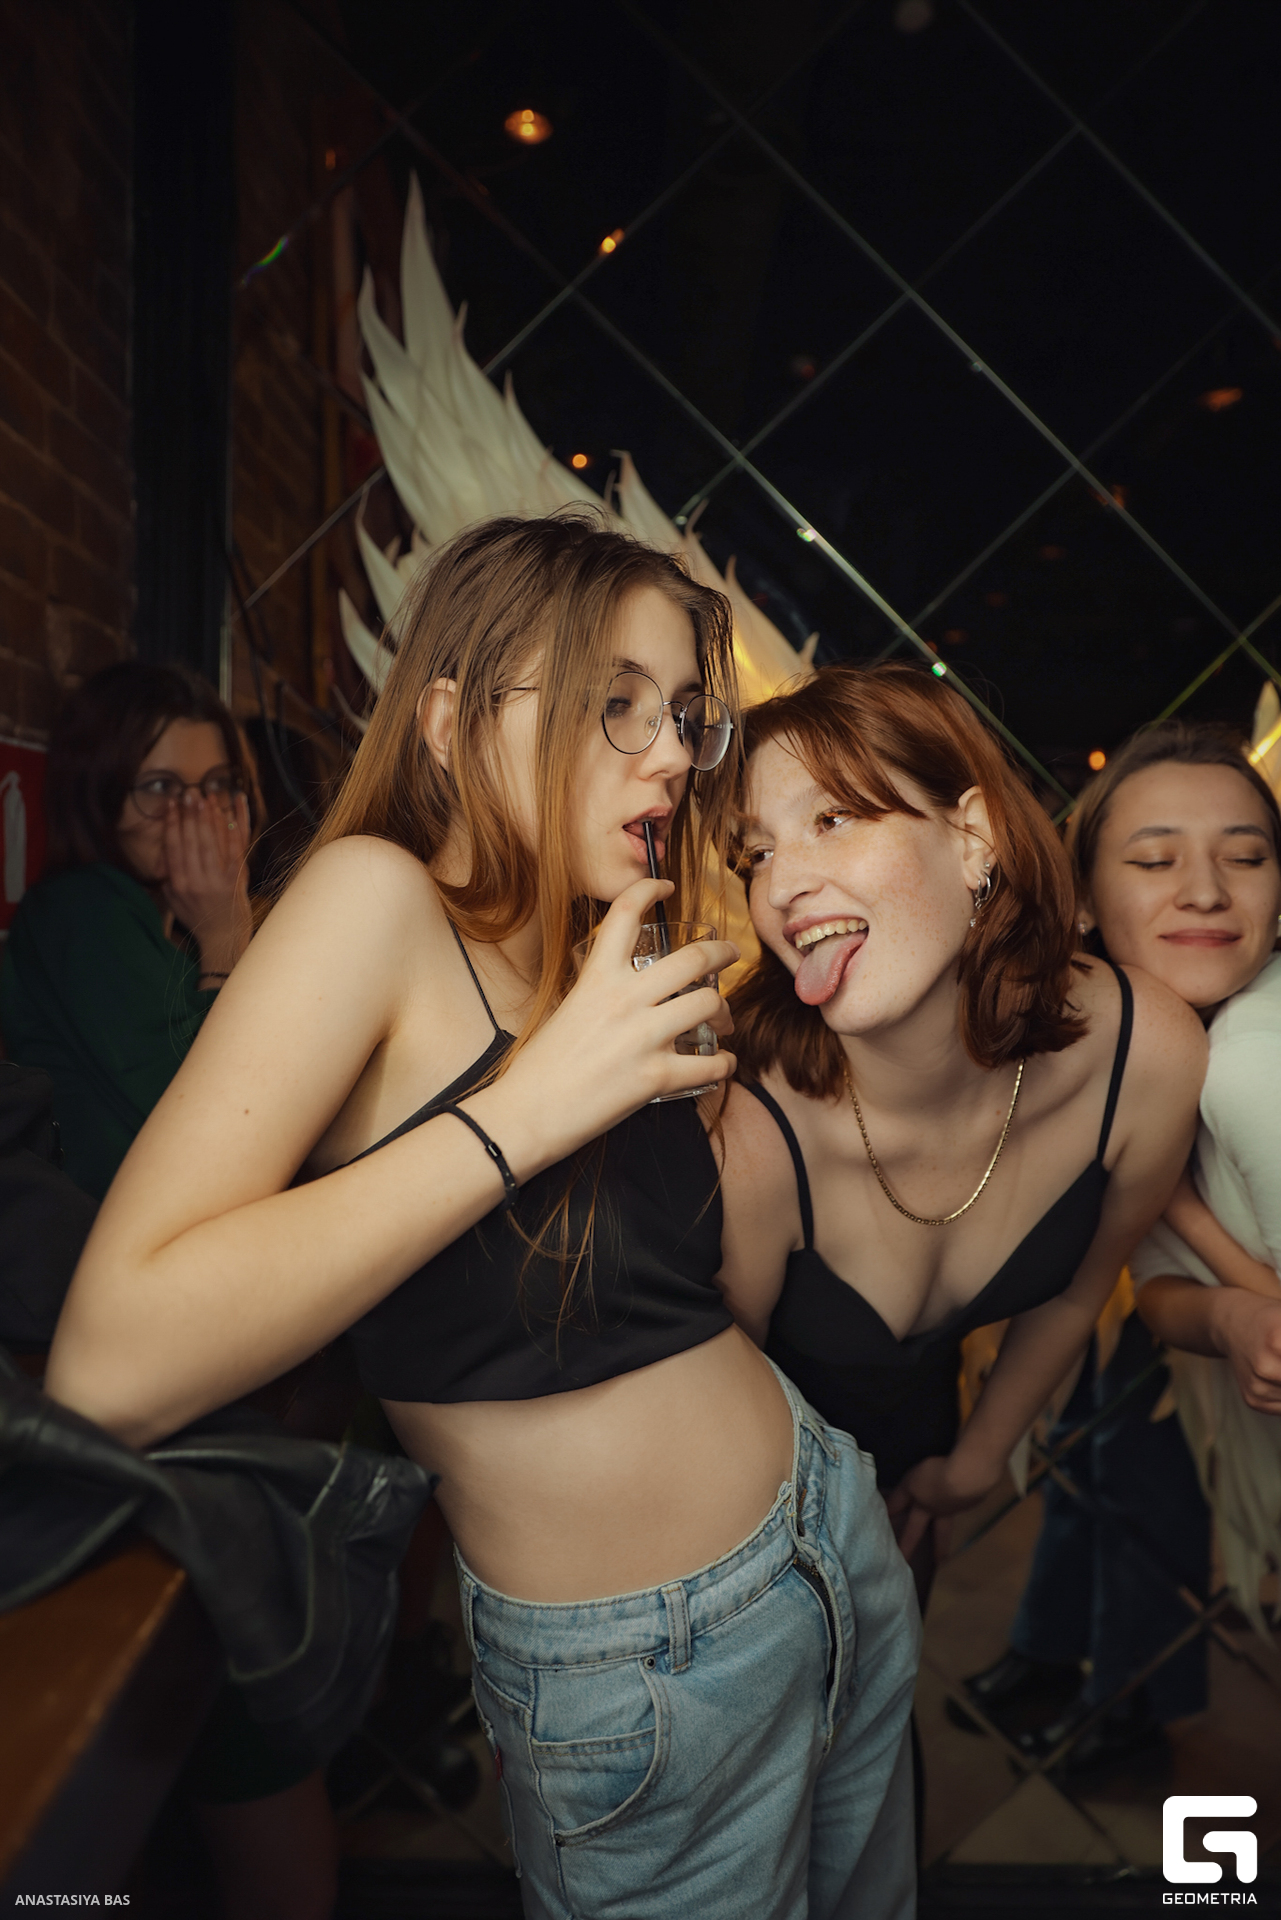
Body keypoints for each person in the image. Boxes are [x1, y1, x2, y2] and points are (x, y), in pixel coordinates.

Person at [45, 513, 921, 1920]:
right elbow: (112, 1360)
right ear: (451, 724)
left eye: (682, 715)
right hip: (646, 1677)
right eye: (614, 702)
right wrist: (528, 1113)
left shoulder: (595, 945)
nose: (667, 754)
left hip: (829, 1546)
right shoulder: (375, 902)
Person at [715, 664, 1206, 1612]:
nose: (781, 886)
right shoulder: (747, 1126)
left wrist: (973, 1462)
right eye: (755, 853)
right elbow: (697, 1434)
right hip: (736, 1534)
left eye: (832, 818)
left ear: (973, 837)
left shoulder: (1144, 1055)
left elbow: (1082, 1282)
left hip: (912, 1490)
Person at [1080, 726, 1281, 1634]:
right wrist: (1228, 1318)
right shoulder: (1173, 1054)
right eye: (1155, 860)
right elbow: (1156, 1288)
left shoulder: (1252, 1061)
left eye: (1245, 857)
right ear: (1082, 900)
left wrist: (1176, 1206)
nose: (1205, 890)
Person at [0, 661, 256, 1200]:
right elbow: (222, 1119)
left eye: (216, 785)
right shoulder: (79, 910)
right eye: (161, 787)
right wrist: (226, 936)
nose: (195, 813)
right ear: (100, 796)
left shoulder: (172, 937)